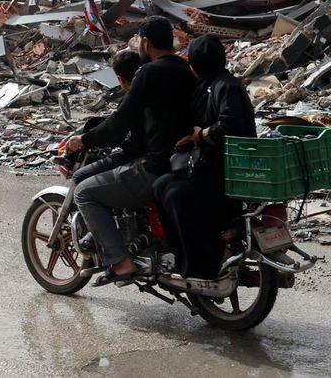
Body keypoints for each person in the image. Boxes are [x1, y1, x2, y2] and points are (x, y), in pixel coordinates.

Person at [65, 17, 194, 286]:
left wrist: (86, 139)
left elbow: (120, 122)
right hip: (184, 162)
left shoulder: (147, 74)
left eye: (139, 43)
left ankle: (121, 263)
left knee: (85, 192)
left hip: (154, 166)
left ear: (146, 43)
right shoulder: (186, 69)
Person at [153, 34, 255, 279]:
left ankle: (202, 265)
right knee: (159, 186)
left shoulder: (224, 86)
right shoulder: (212, 83)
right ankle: (179, 256)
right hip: (212, 164)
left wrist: (201, 135)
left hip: (226, 169)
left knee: (176, 194)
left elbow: (229, 124)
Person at [71, 49, 144, 185]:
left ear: (120, 79)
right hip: (151, 153)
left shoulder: (133, 96)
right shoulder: (150, 88)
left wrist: (84, 139)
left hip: (138, 155)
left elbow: (115, 127)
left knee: (79, 177)